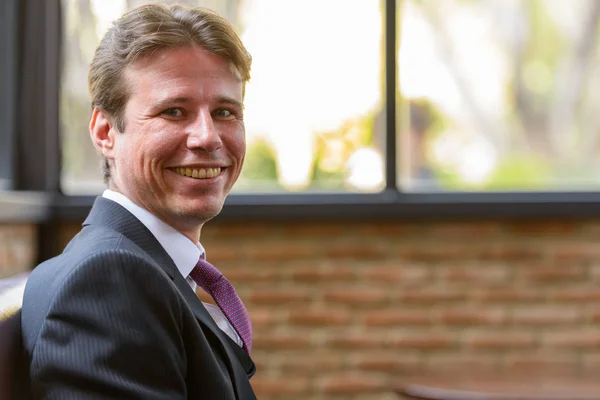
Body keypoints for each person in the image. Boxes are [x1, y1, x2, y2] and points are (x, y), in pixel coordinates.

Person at [20, 3, 257, 399]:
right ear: (105, 132)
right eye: (174, 111)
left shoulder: (150, 268)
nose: (208, 137)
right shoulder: (106, 280)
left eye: (224, 111)